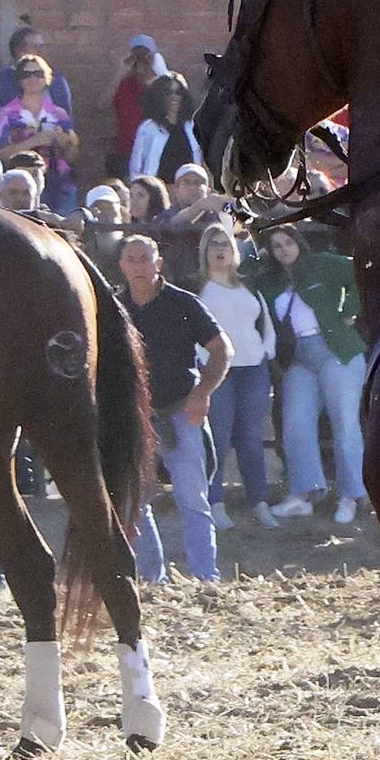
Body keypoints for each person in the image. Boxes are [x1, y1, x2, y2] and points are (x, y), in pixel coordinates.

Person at [118, 234, 228, 583]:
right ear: (121, 265)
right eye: (131, 259)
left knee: (193, 498)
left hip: (181, 409)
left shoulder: (183, 304)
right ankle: (152, 579)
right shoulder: (114, 309)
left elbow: (221, 349)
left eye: (144, 258)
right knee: (136, 502)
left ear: (158, 264)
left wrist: (203, 393)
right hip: (135, 417)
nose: (137, 266)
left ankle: (204, 578)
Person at [257, 224, 367, 525]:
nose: (283, 249)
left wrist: (350, 309)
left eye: (288, 241)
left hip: (337, 351)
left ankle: (350, 495)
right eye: (276, 245)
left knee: (344, 424)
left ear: (299, 242)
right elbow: (243, 272)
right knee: (295, 424)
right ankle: (303, 495)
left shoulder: (322, 263)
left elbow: (360, 272)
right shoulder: (270, 280)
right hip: (299, 358)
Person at [194, 223, 278, 530]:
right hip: (217, 372)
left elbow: (265, 320)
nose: (220, 250)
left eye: (225, 244)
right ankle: (215, 503)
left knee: (250, 437)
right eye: (213, 244)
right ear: (205, 252)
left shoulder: (249, 285)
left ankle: (259, 501)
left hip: (253, 368)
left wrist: (267, 349)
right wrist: (204, 361)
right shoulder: (197, 288)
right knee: (217, 437)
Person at [0, 54, 80, 212]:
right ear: (19, 80)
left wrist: (64, 143)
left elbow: (74, 155)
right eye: (26, 74)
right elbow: (0, 154)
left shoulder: (60, 114)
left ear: (47, 78)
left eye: (38, 74)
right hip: (21, 188)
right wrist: (33, 141)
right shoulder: (6, 114)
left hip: (60, 185)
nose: (32, 79)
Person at [0, 24, 66, 140]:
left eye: (42, 47)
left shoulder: (58, 82)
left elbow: (68, 131)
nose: (41, 51)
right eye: (35, 47)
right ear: (18, 50)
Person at [109, 36, 166, 179]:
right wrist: (121, 72)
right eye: (136, 56)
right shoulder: (125, 85)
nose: (140, 62)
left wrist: (156, 71)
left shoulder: (162, 85)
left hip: (155, 151)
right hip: (126, 152)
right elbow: (101, 105)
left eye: (144, 56)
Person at [128, 75, 203, 181]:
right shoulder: (148, 128)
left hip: (189, 190)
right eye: (168, 92)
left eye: (178, 92)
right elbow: (136, 167)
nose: (174, 97)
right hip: (158, 190)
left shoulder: (192, 128)